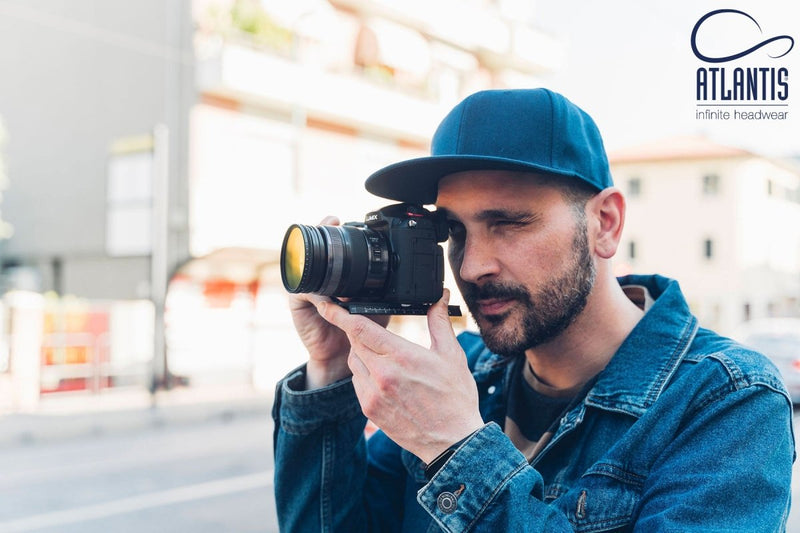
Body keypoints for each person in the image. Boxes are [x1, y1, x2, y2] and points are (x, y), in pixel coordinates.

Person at [272, 88, 795, 532]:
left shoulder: (727, 401)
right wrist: (332, 368)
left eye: (509, 223)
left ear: (606, 224)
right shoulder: (464, 373)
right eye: (453, 231)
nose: (472, 266)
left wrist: (455, 447)